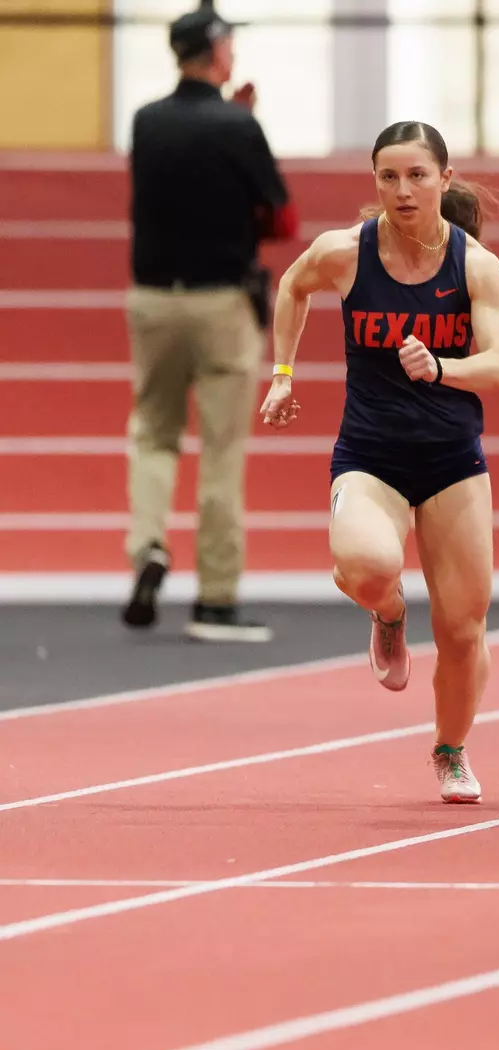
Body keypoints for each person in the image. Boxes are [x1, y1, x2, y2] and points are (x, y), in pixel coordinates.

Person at [257, 121, 499, 804]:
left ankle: (450, 749)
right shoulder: (346, 253)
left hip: (453, 462)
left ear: (444, 180)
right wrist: (282, 372)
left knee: (463, 629)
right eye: (389, 177)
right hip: (369, 456)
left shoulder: (475, 266)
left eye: (417, 176)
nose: (403, 191)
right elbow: (291, 285)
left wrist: (441, 367)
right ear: (375, 182)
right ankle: (390, 613)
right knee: (366, 566)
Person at [121, 5, 298, 641]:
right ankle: (216, 600)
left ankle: (148, 549)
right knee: (222, 449)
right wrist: (243, 127)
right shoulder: (237, 125)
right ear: (214, 50)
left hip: (152, 299)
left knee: (152, 433)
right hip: (221, 301)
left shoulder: (145, 121)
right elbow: (282, 221)